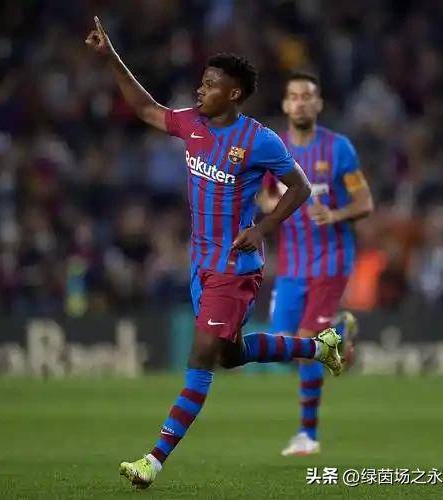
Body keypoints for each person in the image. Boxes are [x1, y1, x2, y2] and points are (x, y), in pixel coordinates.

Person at [85, 18, 343, 489]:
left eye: (211, 84)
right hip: (201, 266)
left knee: (201, 358)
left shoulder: (259, 140)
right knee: (230, 355)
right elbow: (145, 109)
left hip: (234, 269)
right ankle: (317, 347)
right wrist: (111, 58)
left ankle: (153, 461)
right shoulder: (192, 124)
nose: (200, 90)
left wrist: (263, 228)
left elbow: (300, 187)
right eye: (202, 82)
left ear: (234, 94)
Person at [258, 72, 374, 456]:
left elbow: (365, 203)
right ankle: (340, 329)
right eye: (294, 96)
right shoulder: (274, 150)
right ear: (285, 105)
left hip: (331, 260)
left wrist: (335, 215)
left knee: (308, 339)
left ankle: (307, 434)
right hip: (292, 266)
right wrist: (269, 206)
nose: (301, 102)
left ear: (319, 103)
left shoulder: (339, 149)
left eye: (308, 96)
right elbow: (264, 196)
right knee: (283, 347)